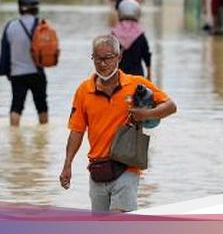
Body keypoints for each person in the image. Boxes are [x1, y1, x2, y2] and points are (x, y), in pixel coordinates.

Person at [59, 35, 177, 212]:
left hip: (127, 167)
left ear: (119, 57)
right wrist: (67, 164)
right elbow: (77, 131)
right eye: (97, 59)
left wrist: (146, 114)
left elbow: (171, 106)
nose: (102, 64)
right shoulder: (84, 91)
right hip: (97, 170)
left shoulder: (135, 84)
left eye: (108, 58)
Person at [0, 0, 48, 127]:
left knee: (16, 106)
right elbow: (50, 50)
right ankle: (43, 137)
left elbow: (5, 54)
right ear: (36, 8)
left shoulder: (10, 26)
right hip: (37, 73)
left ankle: (14, 136)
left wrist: (7, 73)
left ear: (20, 7)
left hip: (17, 74)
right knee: (41, 106)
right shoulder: (42, 25)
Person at [111, 0, 151, 79]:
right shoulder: (140, 34)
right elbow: (147, 56)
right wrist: (149, 75)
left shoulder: (114, 34)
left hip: (119, 77)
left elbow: (109, 56)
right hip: (137, 77)